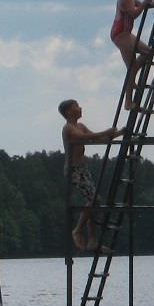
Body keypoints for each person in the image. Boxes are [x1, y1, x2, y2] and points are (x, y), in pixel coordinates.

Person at [59, 99, 122, 251]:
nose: (80, 108)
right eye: (76, 106)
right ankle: (78, 229)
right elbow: (82, 138)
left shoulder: (80, 126)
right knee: (94, 199)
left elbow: (97, 138)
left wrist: (119, 133)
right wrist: (106, 131)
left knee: (94, 202)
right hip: (74, 170)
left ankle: (93, 240)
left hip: (82, 169)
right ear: (68, 112)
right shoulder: (68, 128)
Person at [111, 0, 154, 110]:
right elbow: (134, 14)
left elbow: (143, 6)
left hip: (125, 33)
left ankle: (132, 78)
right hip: (121, 34)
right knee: (132, 67)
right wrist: (146, 3)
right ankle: (128, 102)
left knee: (148, 53)